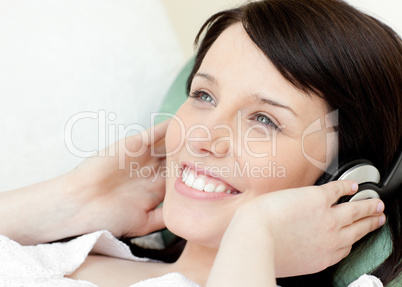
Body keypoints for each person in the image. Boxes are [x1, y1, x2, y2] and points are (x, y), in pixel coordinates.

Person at [0, 0, 400, 286]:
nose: (202, 136)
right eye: (204, 96)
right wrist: (71, 200)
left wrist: (253, 239)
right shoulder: (75, 249)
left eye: (264, 120)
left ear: (349, 178)